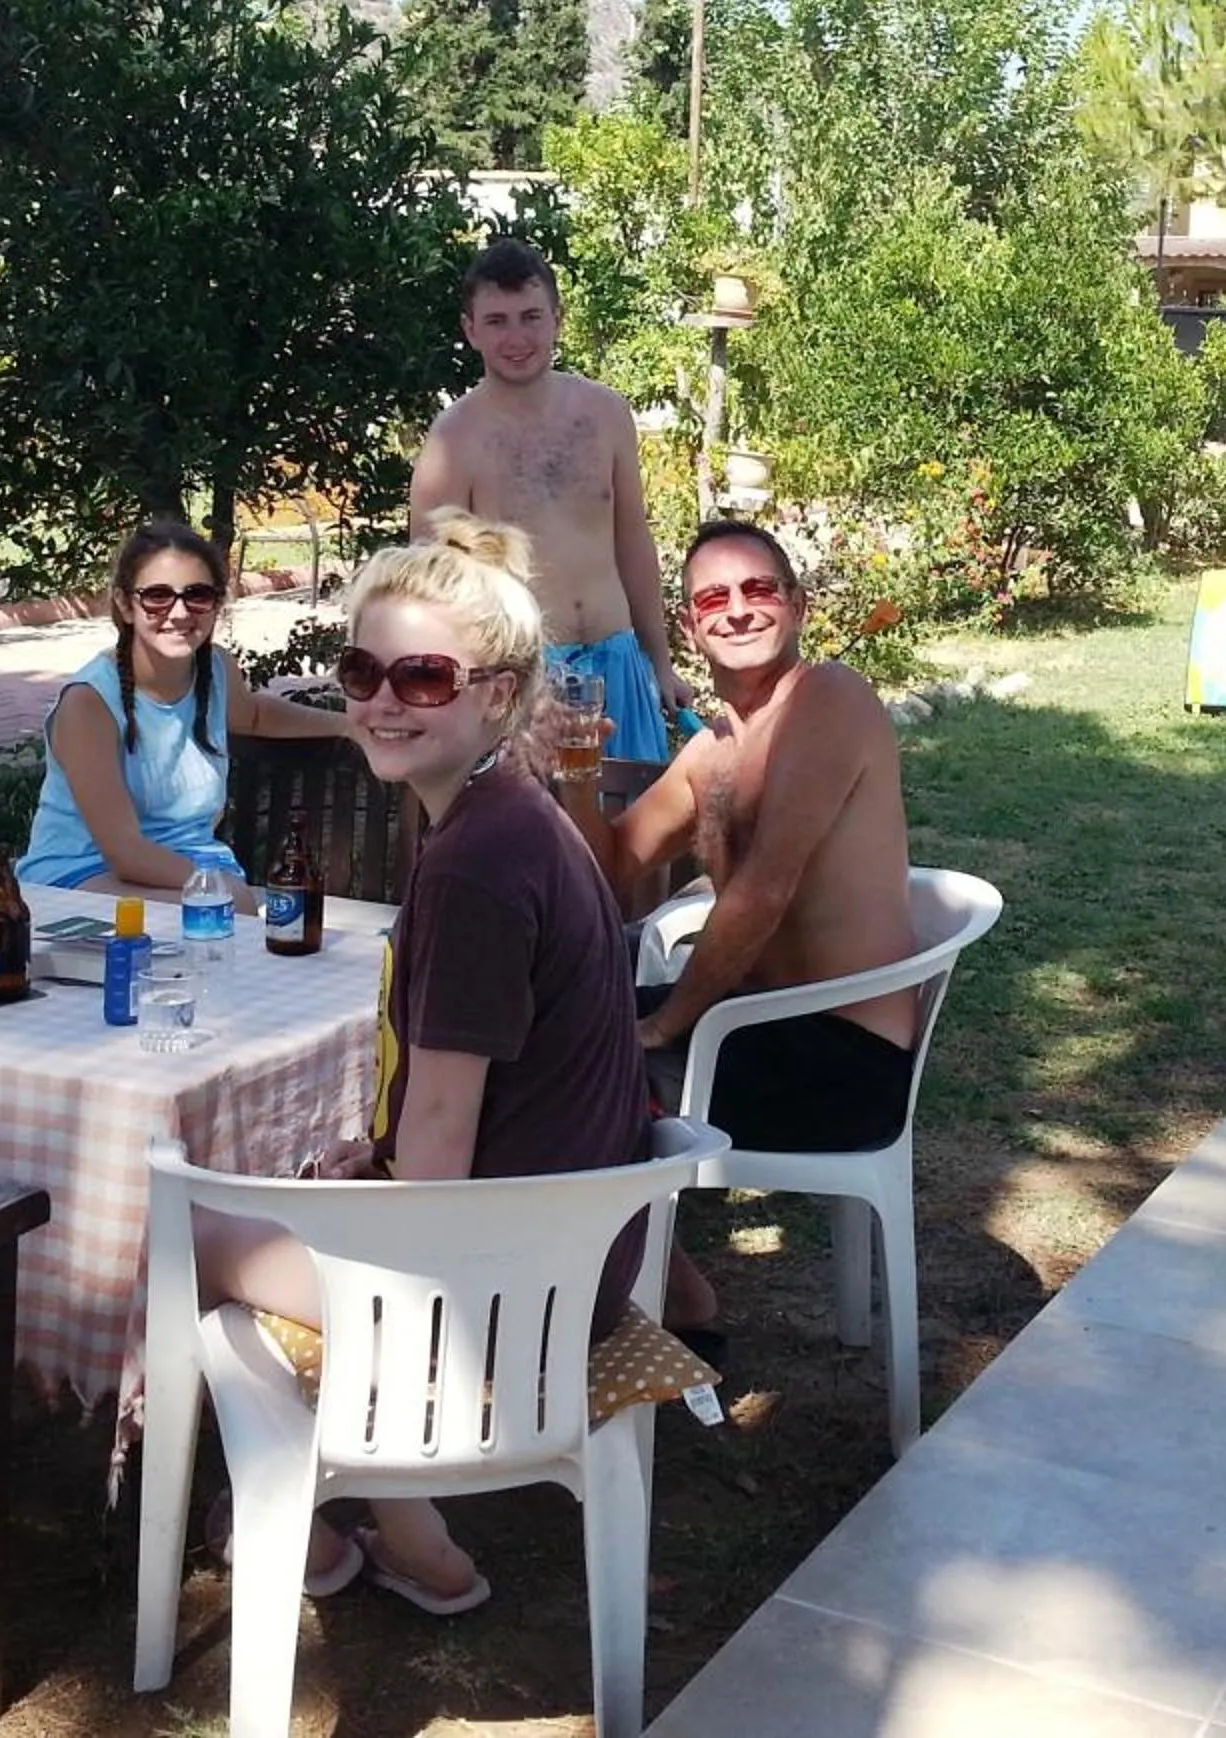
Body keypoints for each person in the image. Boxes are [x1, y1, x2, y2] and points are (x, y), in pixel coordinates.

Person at [193, 509, 650, 1616]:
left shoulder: (476, 865)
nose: (383, 701)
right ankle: (406, 1535)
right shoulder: (510, 817)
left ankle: (326, 1523)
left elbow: (441, 1155)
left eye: (425, 677)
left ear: (499, 694)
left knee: (187, 1233)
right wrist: (377, 1164)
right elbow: (460, 1112)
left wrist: (375, 1198)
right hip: (574, 1249)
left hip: (516, 1290)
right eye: (362, 671)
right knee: (300, 1191)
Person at [559, 519, 919, 1335]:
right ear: (690, 626)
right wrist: (577, 770)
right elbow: (605, 869)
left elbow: (763, 891)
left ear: (798, 604)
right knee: (537, 1031)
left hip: (842, 1064)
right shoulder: (713, 751)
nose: (738, 610)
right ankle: (628, 1285)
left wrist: (664, 1024)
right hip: (751, 1029)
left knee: (570, 1071)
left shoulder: (829, 698)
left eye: (758, 589)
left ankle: (666, 1308)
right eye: (713, 598)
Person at [410, 237, 692, 765]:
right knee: (535, 822)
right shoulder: (452, 441)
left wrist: (660, 663)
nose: (517, 338)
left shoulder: (607, 413)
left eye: (531, 317)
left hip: (620, 666)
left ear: (558, 319)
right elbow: (430, 589)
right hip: (521, 682)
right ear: (470, 330)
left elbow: (633, 541)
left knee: (638, 818)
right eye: (497, 321)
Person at [19, 521, 351, 898]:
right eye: (158, 596)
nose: (179, 613)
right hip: (81, 877)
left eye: (197, 595)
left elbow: (255, 715)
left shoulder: (216, 670)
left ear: (217, 604)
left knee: (250, 912)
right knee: (228, 910)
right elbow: (125, 853)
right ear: (125, 604)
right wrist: (218, 888)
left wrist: (350, 725)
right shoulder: (89, 702)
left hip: (191, 866)